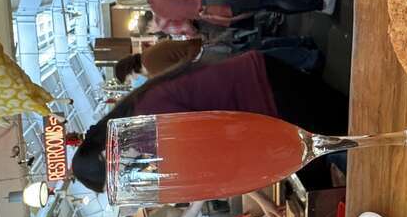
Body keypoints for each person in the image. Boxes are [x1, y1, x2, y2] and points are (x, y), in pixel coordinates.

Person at [72, 50, 347, 195]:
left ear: (106, 156)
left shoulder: (144, 123)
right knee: (343, 122)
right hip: (261, 87)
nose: (127, 181)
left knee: (347, 124)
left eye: (117, 181)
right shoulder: (136, 119)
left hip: (264, 92)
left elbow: (213, 148)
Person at [148, 0, 337, 29]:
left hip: (214, 10)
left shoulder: (158, 10)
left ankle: (314, 4)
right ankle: (321, 4)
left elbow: (188, 25)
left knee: (268, 4)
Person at [114, 38, 202, 84]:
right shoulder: (146, 59)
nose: (133, 81)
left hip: (201, 57)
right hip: (199, 56)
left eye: (129, 80)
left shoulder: (150, 64)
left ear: (129, 70)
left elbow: (180, 77)